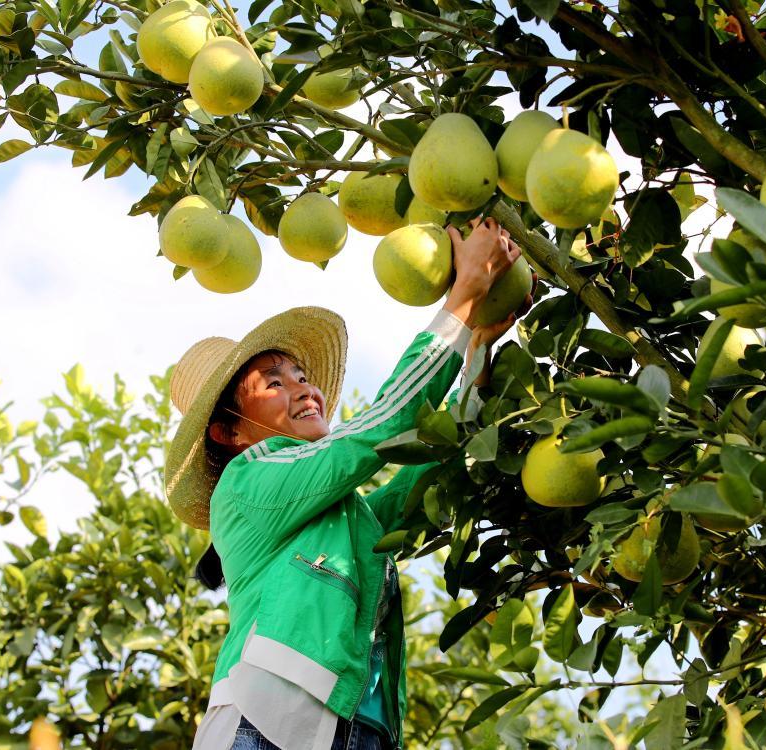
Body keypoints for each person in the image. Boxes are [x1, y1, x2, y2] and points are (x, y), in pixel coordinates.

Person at [163, 218, 526, 750]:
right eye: (274, 382)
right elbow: (376, 429)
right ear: (230, 431)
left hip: (363, 728)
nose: (303, 388)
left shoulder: (348, 518)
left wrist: (475, 356)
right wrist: (462, 299)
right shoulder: (244, 483)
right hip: (266, 721)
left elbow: (424, 485)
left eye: (302, 375)